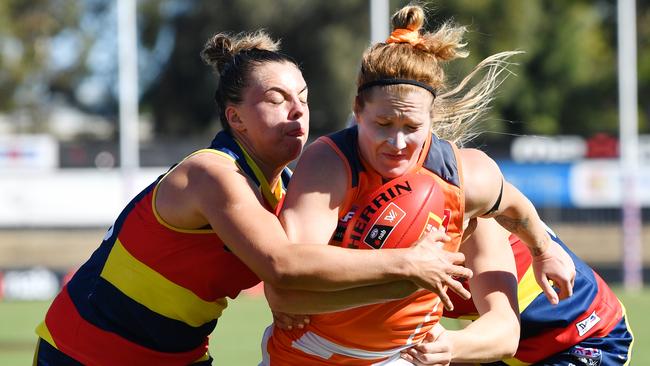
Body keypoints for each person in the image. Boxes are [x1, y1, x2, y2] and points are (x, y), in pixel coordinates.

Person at [32, 30, 473, 366]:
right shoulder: (212, 174)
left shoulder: (283, 193)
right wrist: (409, 264)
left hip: (178, 354)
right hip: (84, 350)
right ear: (235, 118)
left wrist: (535, 239)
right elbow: (283, 264)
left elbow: (300, 277)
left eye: (302, 98)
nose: (297, 111)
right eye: (277, 100)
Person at [260, 4, 576, 365]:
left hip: (400, 357)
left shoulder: (464, 177)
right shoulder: (329, 163)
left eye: (411, 128)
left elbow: (517, 210)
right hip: (306, 350)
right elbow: (284, 289)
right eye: (383, 123)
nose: (396, 143)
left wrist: (543, 251)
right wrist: (406, 269)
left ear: (431, 117)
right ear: (357, 110)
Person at [401, 218, 634, 366]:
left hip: (583, 335)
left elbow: (502, 334)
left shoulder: (474, 210)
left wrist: (446, 347)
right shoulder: (378, 247)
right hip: (510, 353)